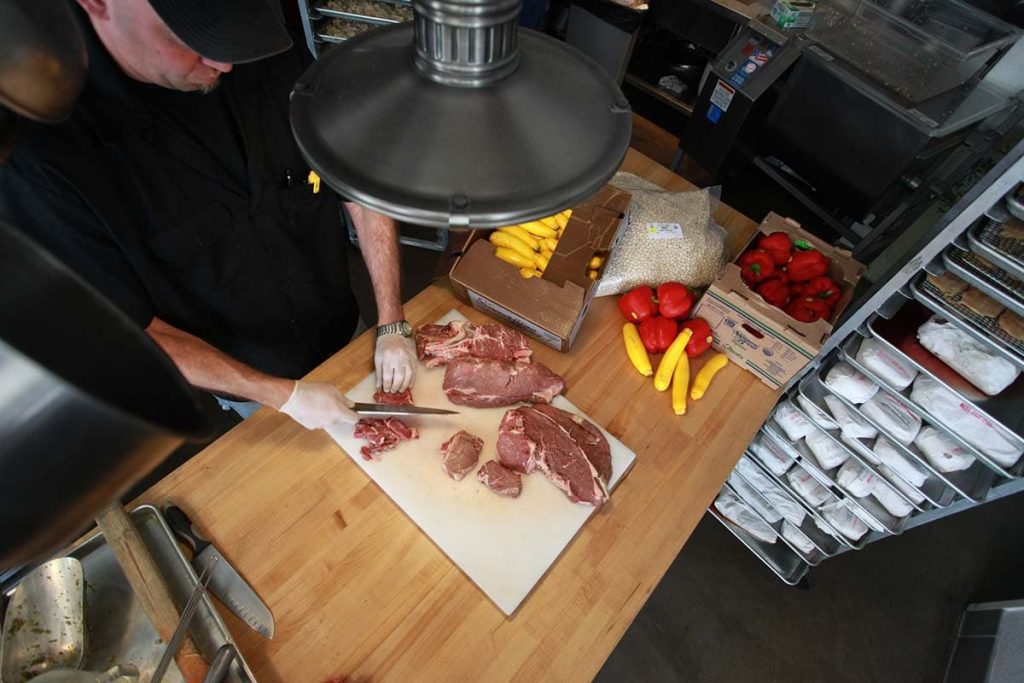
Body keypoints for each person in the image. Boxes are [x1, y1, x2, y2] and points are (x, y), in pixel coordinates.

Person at [0, 0, 417, 430]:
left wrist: (390, 321)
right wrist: (284, 397)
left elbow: (351, 177)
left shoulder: (253, 50)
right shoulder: (41, 158)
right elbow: (126, 330)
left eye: (235, 40)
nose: (224, 61)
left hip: (350, 333)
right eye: (190, 39)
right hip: (249, 386)